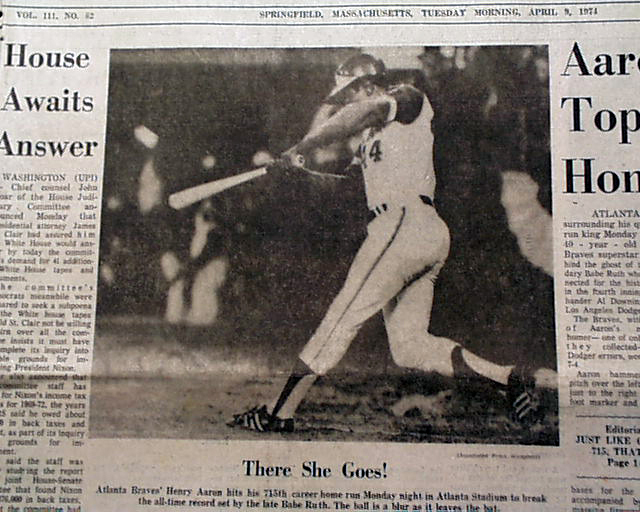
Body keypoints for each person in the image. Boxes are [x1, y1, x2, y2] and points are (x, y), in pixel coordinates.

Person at [230, 53, 555, 433]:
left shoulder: (408, 98)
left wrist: (303, 144)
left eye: (348, 94)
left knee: (339, 320)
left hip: (405, 224)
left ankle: (277, 413)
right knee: (410, 348)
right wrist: (297, 169)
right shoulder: (370, 138)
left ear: (365, 85)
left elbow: (361, 112)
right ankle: (511, 379)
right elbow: (347, 183)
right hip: (407, 230)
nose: (346, 102)